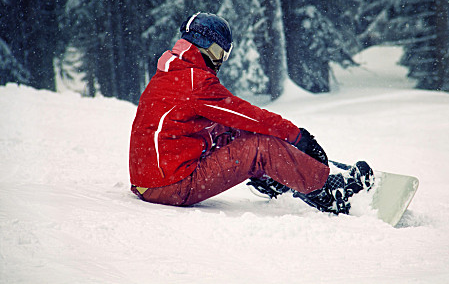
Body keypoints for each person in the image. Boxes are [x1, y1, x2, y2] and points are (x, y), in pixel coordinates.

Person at [129, 12, 373, 215]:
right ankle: (328, 191)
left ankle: (276, 175)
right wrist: (298, 136)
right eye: (220, 53)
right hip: (171, 185)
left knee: (233, 131)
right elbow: (250, 116)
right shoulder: (195, 81)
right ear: (206, 47)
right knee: (259, 146)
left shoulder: (172, 73)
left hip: (153, 181)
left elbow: (229, 123)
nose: (221, 61)